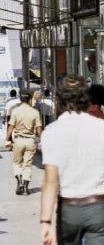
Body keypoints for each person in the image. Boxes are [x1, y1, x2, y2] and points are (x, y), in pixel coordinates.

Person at [39, 75, 104, 245]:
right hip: (98, 207)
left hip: (69, 209)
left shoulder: (51, 132)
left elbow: (50, 182)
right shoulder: (101, 128)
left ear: (59, 99)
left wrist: (46, 221)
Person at [5, 90, 42, 195]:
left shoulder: (15, 111)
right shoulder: (35, 112)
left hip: (18, 140)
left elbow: (11, 126)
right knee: (28, 165)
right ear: (30, 99)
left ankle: (19, 181)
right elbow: (39, 129)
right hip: (30, 140)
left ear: (20, 99)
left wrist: (7, 139)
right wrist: (42, 140)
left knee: (17, 163)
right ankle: (26, 188)